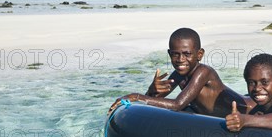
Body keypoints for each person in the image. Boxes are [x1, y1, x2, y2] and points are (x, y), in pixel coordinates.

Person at [109, 28, 254, 117]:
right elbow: (150, 102)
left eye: (187, 54)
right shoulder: (179, 74)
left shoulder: (203, 72)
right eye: (175, 54)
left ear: (199, 54)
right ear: (169, 53)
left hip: (250, 108)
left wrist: (136, 96)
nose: (180, 59)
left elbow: (178, 104)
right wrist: (151, 90)